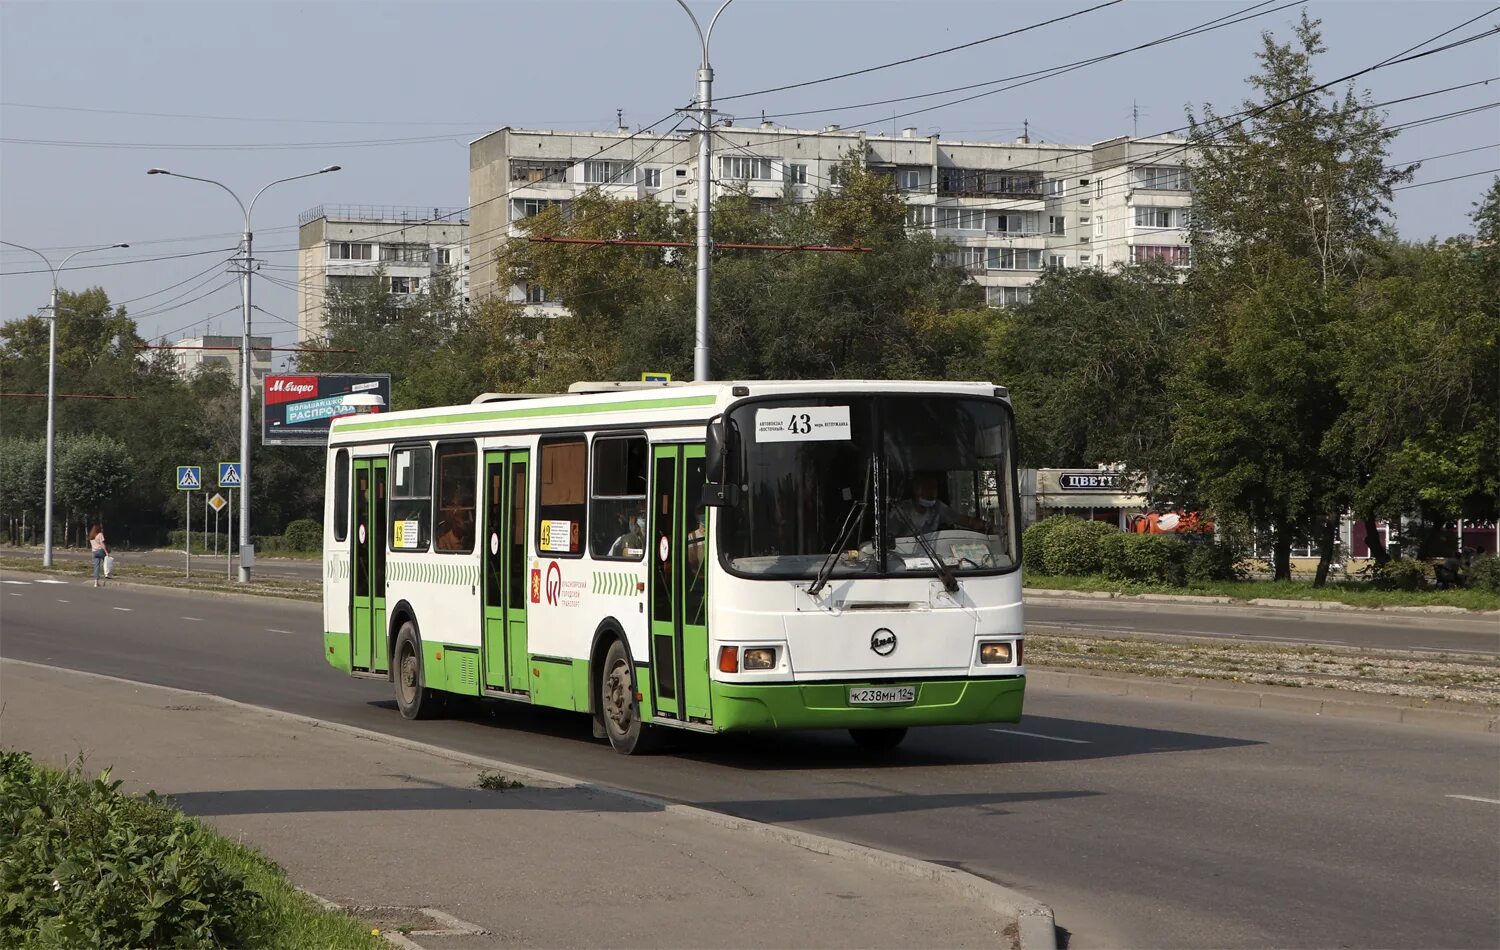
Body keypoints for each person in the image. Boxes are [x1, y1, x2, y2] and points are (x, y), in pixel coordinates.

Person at [887, 473, 988, 536]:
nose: (932, 493)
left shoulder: (938, 508)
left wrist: (984, 525)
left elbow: (961, 519)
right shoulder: (900, 511)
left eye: (934, 488)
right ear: (916, 490)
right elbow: (891, 542)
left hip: (934, 558)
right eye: (928, 488)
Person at [88, 523, 109, 588]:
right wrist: (106, 552)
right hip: (100, 551)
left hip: (94, 552)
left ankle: (96, 582)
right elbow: (102, 544)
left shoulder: (91, 536)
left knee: (96, 566)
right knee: (106, 560)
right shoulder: (100, 534)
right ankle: (107, 573)